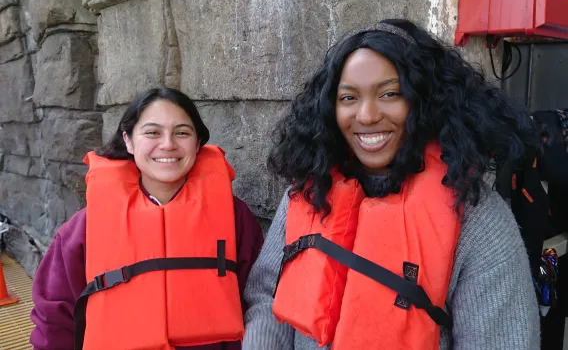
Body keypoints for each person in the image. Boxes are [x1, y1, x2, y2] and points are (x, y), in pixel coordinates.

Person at [242, 20, 540, 349]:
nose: (367, 115)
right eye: (349, 97)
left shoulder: (478, 218)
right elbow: (267, 299)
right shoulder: (306, 194)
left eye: (390, 94)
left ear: (423, 100)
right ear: (330, 108)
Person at [30, 87, 264, 350]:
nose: (168, 144)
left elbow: (261, 300)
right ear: (128, 140)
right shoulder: (84, 228)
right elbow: (54, 319)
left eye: (182, 133)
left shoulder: (236, 217)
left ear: (198, 143)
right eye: (152, 132)